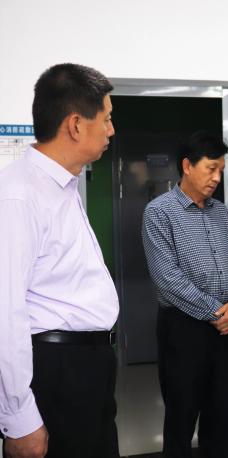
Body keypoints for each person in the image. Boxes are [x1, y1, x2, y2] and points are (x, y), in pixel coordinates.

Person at [0, 63, 119, 458]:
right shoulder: (19, 195)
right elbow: (6, 313)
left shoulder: (64, 185)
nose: (111, 130)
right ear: (75, 125)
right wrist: (19, 418)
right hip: (56, 370)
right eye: (106, 118)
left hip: (88, 367)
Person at [141, 132, 228, 458]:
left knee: (223, 417)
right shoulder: (159, 212)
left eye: (221, 170)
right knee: (181, 418)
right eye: (210, 169)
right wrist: (219, 312)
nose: (217, 178)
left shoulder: (220, 211)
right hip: (183, 329)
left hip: (226, 329)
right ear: (187, 166)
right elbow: (168, 280)